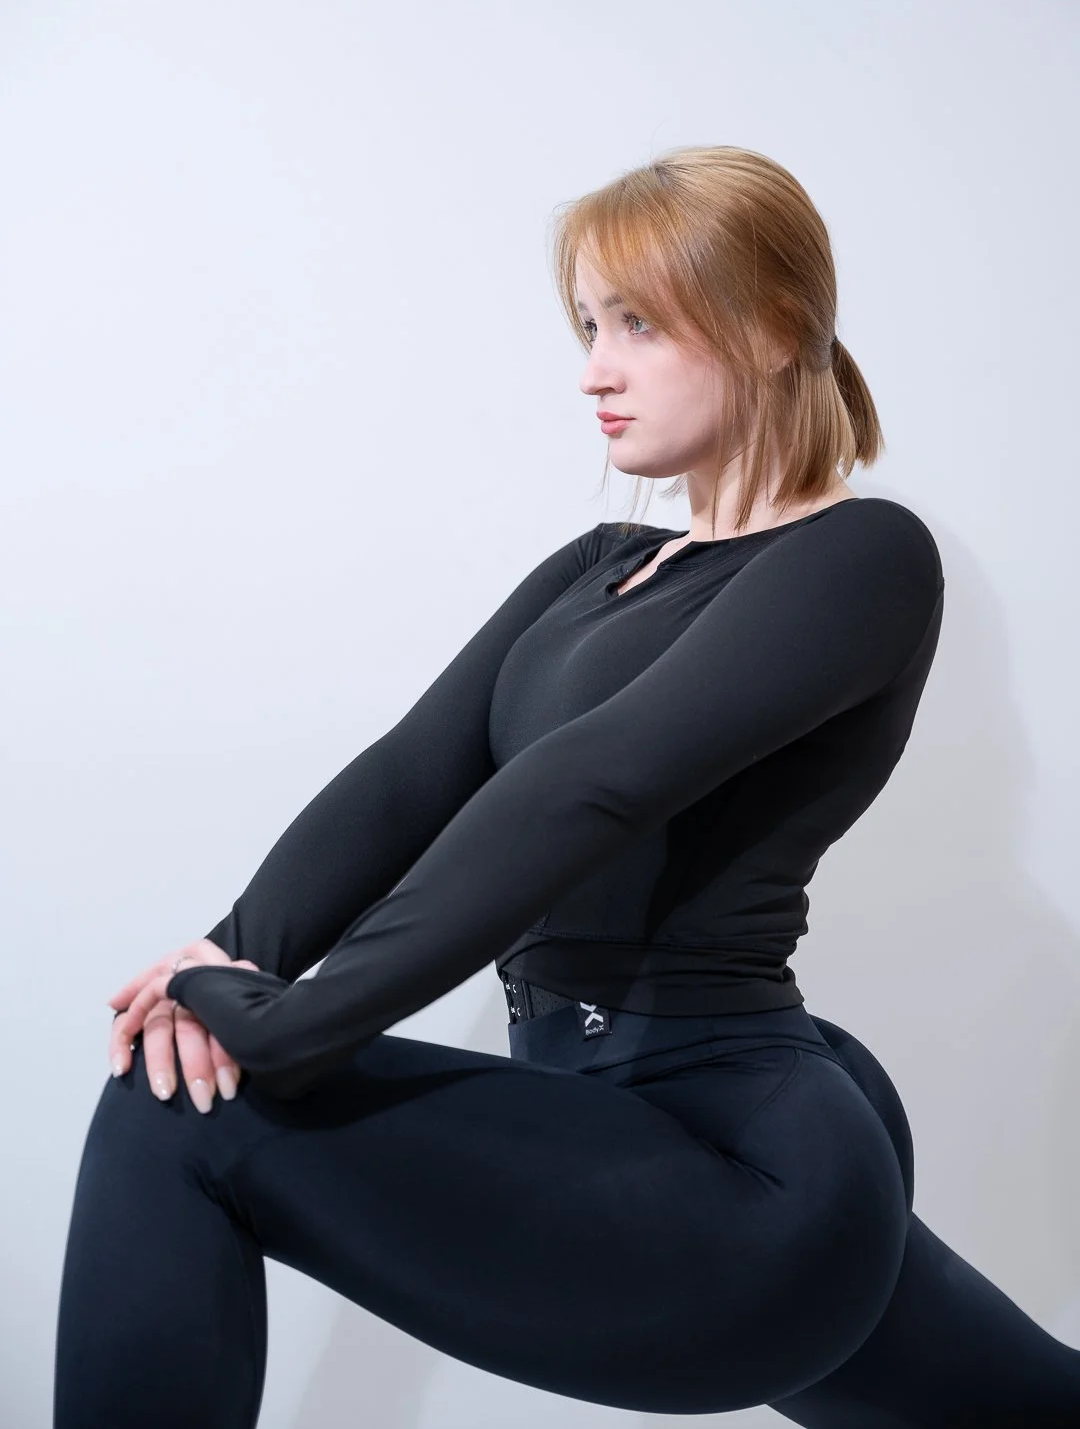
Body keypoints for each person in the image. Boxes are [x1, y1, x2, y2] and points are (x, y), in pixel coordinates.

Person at [54, 146, 1080, 1427]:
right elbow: (409, 774)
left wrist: (292, 1025)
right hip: (604, 1129)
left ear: (772, 328)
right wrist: (228, 950)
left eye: (640, 324)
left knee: (177, 1115)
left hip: (743, 1168)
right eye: (590, 324)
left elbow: (592, 788)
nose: (595, 366)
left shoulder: (860, 555)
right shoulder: (598, 564)